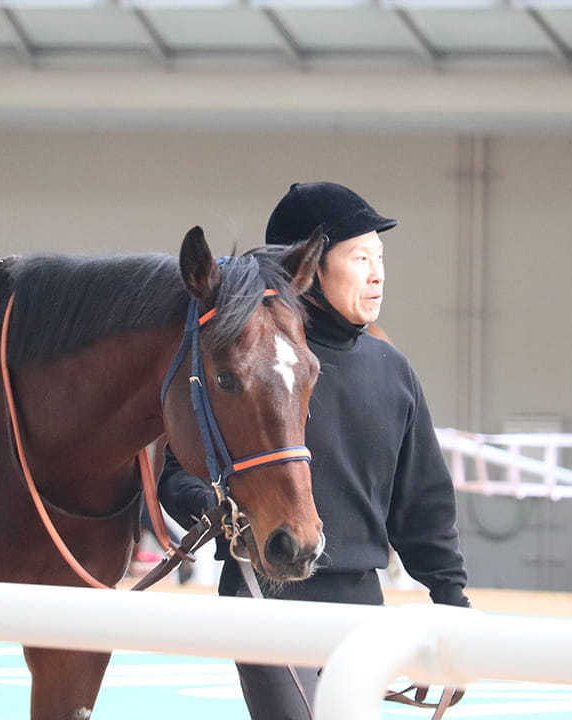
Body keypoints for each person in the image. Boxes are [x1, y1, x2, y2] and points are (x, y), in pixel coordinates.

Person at [158, 181, 471, 719]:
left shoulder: (393, 370)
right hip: (265, 594)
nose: (377, 274)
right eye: (359, 257)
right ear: (307, 268)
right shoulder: (254, 362)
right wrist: (219, 510)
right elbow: (176, 474)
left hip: (361, 603)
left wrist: (452, 607)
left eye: (380, 258)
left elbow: (422, 505)